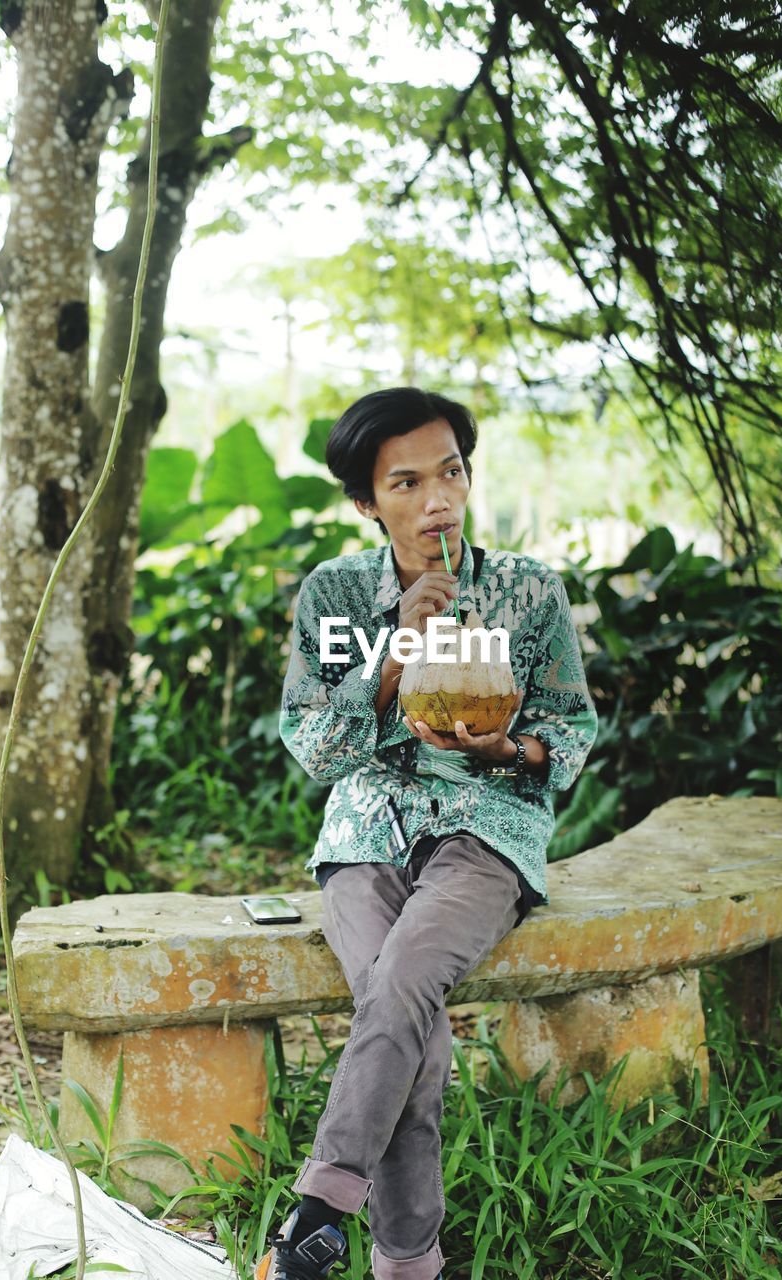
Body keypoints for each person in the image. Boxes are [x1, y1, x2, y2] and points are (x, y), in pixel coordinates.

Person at [256, 387, 598, 1280]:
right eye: (405, 483)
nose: (436, 499)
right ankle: (411, 1265)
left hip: (485, 826)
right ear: (367, 503)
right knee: (402, 1008)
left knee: (402, 978)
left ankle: (315, 1214)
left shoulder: (526, 592)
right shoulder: (333, 597)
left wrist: (511, 747)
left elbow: (568, 727)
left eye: (450, 471)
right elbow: (316, 748)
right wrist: (389, 659)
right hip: (365, 828)